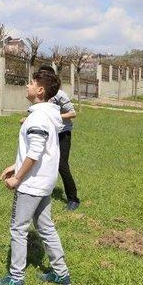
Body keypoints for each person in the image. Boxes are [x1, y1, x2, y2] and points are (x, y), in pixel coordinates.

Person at [0, 70, 72, 285]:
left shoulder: (37, 117)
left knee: (18, 229)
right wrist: (15, 165)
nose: (26, 86)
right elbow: (39, 151)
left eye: (30, 83)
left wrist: (18, 177)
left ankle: (16, 278)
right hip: (45, 182)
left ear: (40, 90)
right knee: (46, 228)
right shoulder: (48, 115)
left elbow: (35, 152)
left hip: (31, 184)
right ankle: (61, 274)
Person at [38, 65, 80, 211]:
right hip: (48, 133)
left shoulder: (60, 95)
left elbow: (73, 113)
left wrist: (55, 116)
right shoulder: (42, 95)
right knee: (42, 161)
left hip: (63, 134)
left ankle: (73, 199)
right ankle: (40, 193)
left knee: (62, 165)